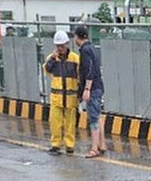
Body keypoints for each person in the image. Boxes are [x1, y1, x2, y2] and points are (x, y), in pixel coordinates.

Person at [43, 30, 79, 154]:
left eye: (62, 45)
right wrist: (53, 59)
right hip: (57, 97)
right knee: (55, 122)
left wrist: (79, 95)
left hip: (70, 97)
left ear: (67, 44)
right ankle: (56, 145)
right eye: (58, 46)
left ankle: (70, 145)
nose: (60, 48)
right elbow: (47, 70)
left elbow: (80, 77)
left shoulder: (75, 59)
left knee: (70, 123)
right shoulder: (52, 58)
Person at [74, 24, 106, 158]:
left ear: (77, 37)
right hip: (98, 86)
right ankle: (102, 144)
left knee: (93, 118)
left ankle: (94, 148)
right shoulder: (92, 48)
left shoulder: (85, 50)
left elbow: (90, 70)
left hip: (92, 88)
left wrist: (86, 89)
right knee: (97, 116)